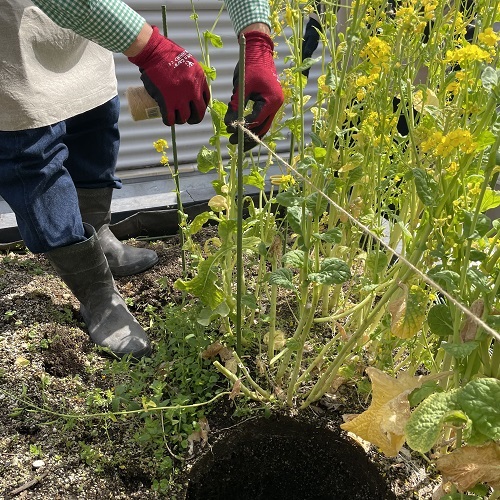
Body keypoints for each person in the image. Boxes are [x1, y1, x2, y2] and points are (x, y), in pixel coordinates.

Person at [0, 0, 284, 359]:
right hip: (10, 37)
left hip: (87, 24)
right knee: (32, 159)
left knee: (94, 124)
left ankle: (98, 235)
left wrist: (257, 40)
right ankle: (96, 293)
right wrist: (153, 50)